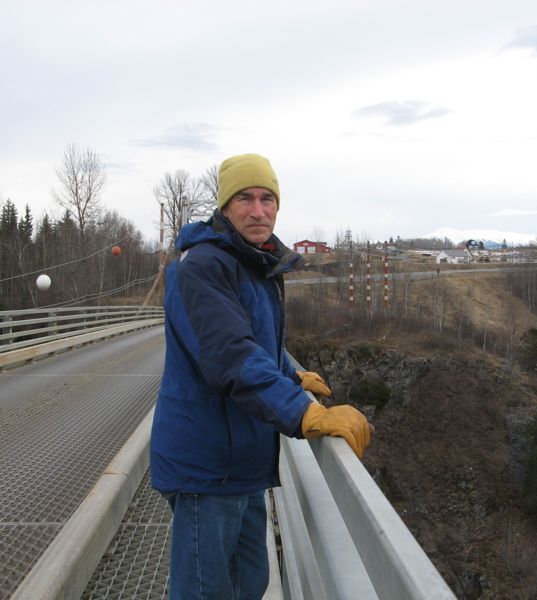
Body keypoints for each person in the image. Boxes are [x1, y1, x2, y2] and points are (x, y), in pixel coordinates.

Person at [150, 153, 373, 600]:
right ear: (224, 207)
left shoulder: (253, 264)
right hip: (207, 466)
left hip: (243, 460)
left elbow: (256, 345)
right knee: (207, 592)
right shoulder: (203, 267)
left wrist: (291, 376)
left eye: (267, 198)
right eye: (245, 198)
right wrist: (303, 412)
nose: (258, 210)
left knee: (249, 583)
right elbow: (230, 356)